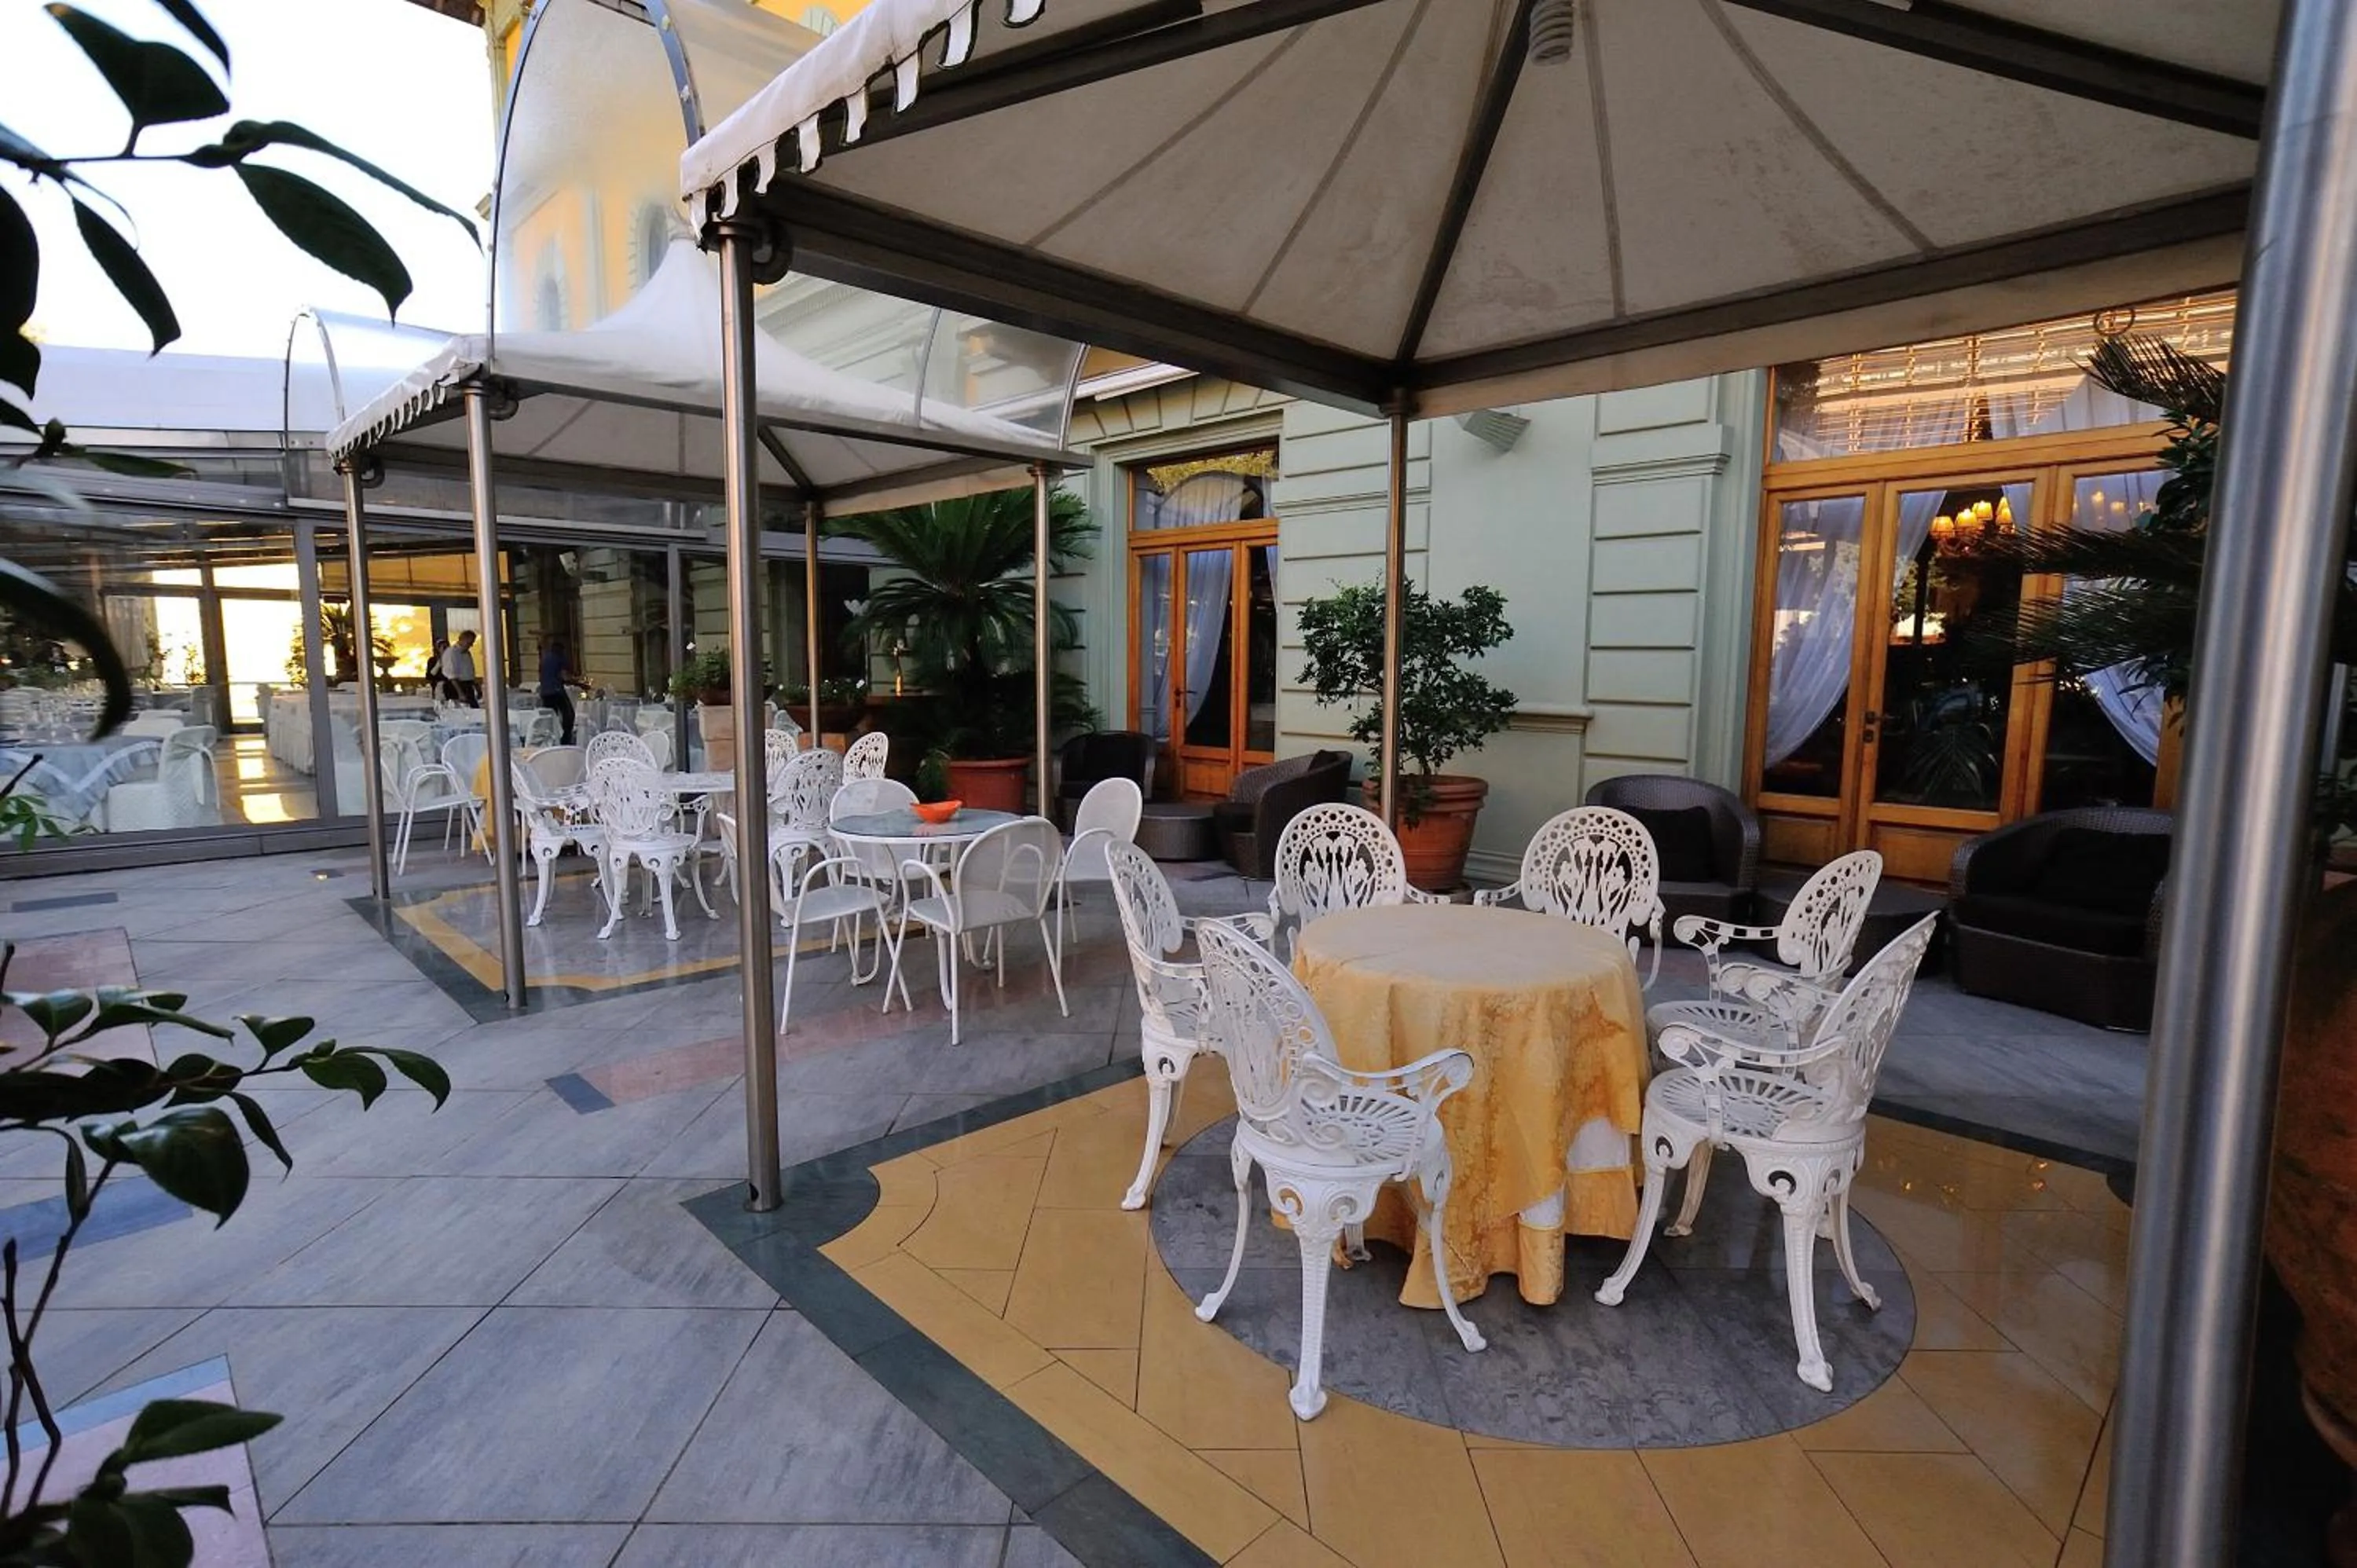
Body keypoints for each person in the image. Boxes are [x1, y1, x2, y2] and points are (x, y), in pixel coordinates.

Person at [537, 636, 584, 746]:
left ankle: (548, 740)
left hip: (545, 692)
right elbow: (565, 676)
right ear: (560, 650)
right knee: (568, 715)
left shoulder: (545, 659)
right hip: (556, 691)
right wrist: (578, 682)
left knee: (549, 717)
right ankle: (565, 740)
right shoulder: (559, 658)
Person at [439, 629, 481, 707]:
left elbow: (470, 672)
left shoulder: (467, 653)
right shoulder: (451, 653)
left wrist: (477, 688)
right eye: (469, 643)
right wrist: (460, 693)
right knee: (462, 711)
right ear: (462, 640)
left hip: (467, 686)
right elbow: (452, 676)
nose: (471, 645)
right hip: (455, 687)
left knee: (473, 709)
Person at [427, 638, 451, 702]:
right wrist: (438, 664)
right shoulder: (433, 660)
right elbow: (430, 675)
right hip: (440, 686)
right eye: (441, 646)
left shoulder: (452, 659)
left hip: (451, 685)